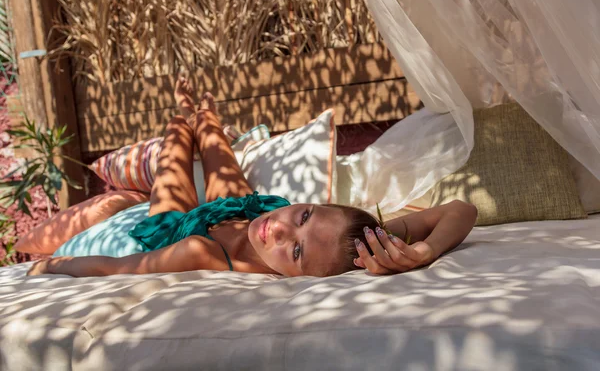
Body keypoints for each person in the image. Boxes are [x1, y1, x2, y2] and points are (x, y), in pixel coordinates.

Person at [27, 78, 477, 278]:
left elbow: (114, 267)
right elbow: (461, 210)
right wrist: (422, 249)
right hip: (245, 211)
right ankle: (205, 114)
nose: (282, 230)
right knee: (216, 147)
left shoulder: (200, 253)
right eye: (303, 214)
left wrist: (47, 266)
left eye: (296, 251)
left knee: (174, 149)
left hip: (172, 228)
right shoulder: (329, 234)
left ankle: (182, 118)